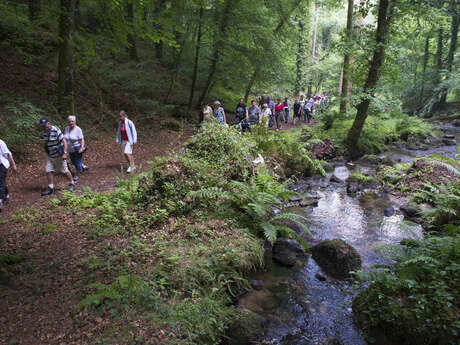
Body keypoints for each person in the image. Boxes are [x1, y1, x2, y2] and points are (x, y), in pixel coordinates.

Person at [40, 117, 75, 196]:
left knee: (64, 171)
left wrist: (65, 153)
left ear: (48, 123)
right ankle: (50, 187)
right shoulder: (44, 132)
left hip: (59, 155)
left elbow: (64, 142)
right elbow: (46, 143)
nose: (43, 127)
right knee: (48, 170)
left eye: (45, 125)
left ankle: (72, 183)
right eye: (42, 126)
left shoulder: (55, 130)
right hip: (50, 155)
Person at [64, 116, 86, 181]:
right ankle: (83, 166)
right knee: (73, 161)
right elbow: (64, 138)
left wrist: (81, 147)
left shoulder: (78, 129)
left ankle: (77, 174)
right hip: (70, 149)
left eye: (72, 121)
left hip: (77, 149)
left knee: (77, 162)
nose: (71, 123)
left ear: (75, 121)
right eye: (69, 121)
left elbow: (82, 139)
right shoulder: (66, 128)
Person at [0, 139, 17, 211]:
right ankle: (6, 195)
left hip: (2, 165)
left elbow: (7, 154)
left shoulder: (0, 142)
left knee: (1, 182)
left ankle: (0, 201)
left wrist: (13, 165)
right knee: (1, 182)